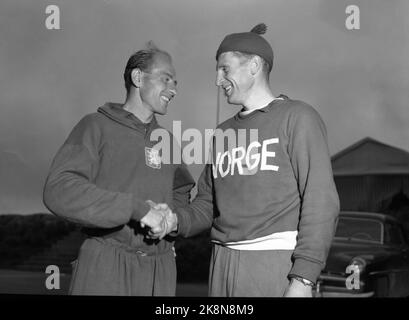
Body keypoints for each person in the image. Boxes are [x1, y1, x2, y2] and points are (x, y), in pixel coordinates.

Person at [151, 24, 340, 297]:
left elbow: (321, 200)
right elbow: (207, 204)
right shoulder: (223, 132)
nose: (218, 80)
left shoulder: (298, 117)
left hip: (275, 263)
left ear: (253, 65)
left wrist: (303, 279)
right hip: (221, 263)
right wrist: (174, 220)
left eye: (224, 69)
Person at [43, 42, 195, 296]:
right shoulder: (95, 126)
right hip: (106, 264)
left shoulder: (167, 140)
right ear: (138, 77)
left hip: (161, 270)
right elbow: (59, 189)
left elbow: (181, 190)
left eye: (176, 83)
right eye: (166, 79)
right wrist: (136, 209)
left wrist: (170, 224)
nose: (173, 89)